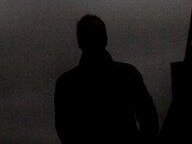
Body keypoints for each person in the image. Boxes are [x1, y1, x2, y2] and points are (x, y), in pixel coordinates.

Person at [54, 15, 159, 143]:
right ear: (106, 39)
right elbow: (148, 117)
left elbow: (64, 129)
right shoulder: (127, 74)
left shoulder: (66, 83)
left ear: (79, 42)